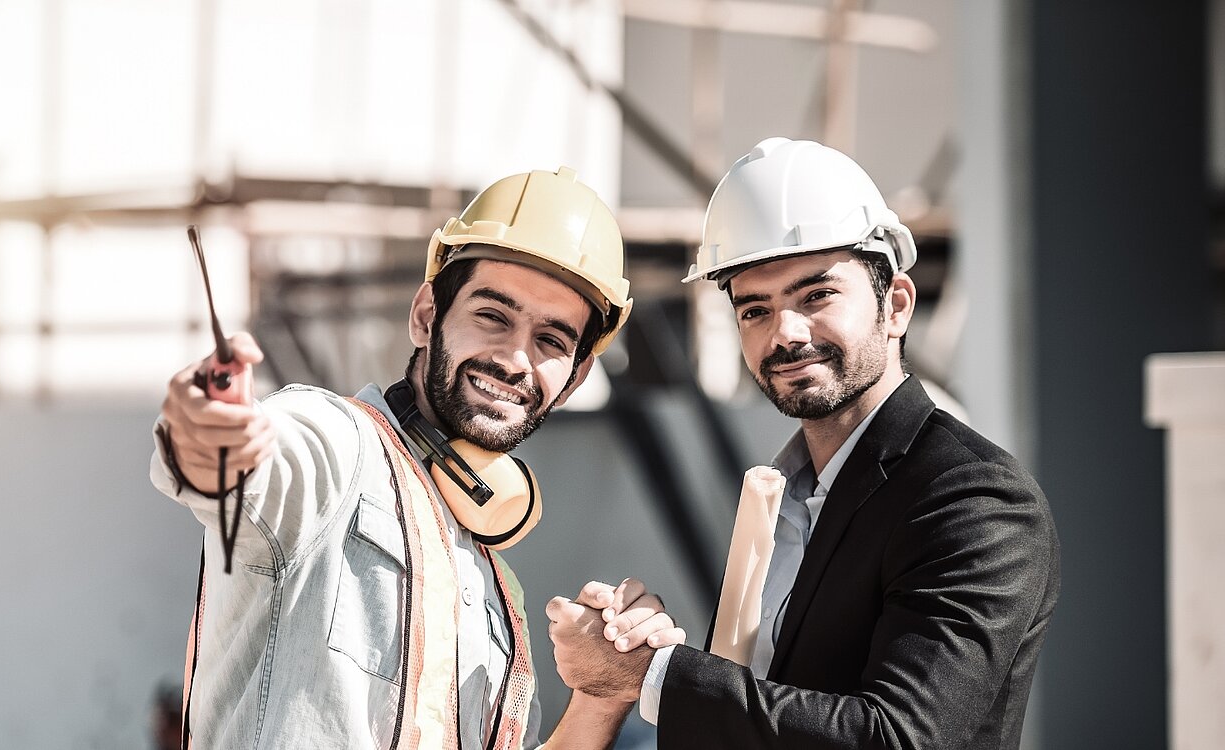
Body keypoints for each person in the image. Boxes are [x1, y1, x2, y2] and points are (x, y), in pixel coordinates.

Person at [546, 138, 1061, 749]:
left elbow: (897, 739)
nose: (785, 334)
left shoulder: (973, 499)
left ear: (895, 305)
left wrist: (657, 675)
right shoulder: (782, 496)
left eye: (816, 296)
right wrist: (640, 651)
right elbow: (762, 712)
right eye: (755, 310)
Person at [152, 167, 685, 749]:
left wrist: (603, 697)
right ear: (427, 316)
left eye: (552, 340)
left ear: (577, 377)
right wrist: (210, 433)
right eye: (492, 316)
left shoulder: (495, 595)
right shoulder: (340, 444)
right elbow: (250, 462)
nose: (514, 359)